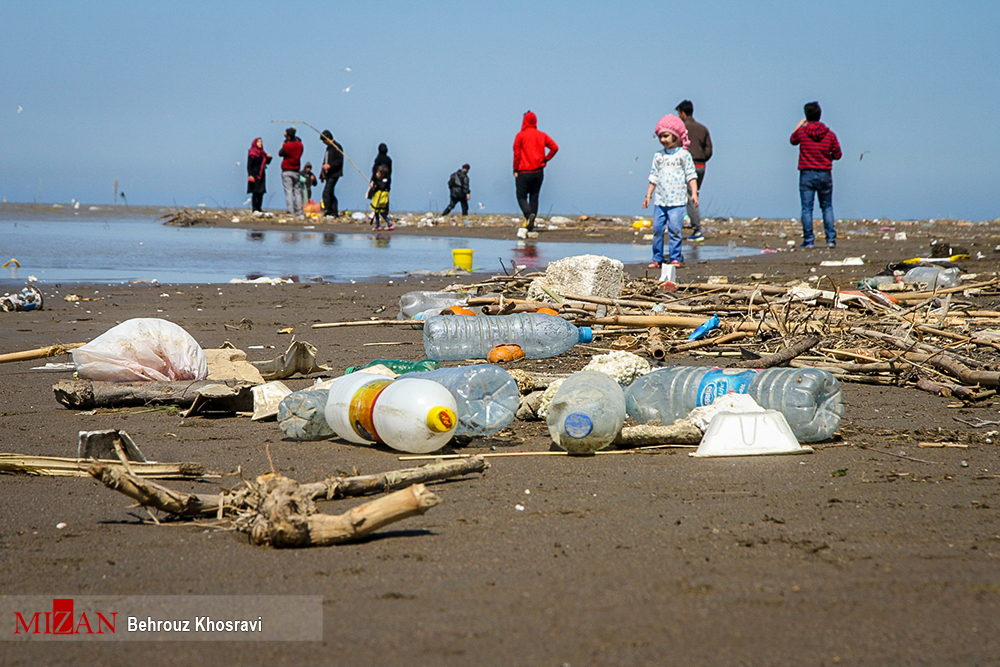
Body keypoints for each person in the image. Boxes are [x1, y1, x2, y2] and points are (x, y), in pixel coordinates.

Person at [642, 114, 698, 269]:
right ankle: (657, 258)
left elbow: (691, 175)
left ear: (676, 136)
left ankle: (675, 257)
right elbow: (653, 176)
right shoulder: (658, 156)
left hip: (677, 201)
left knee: (675, 230)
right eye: (660, 136)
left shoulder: (683, 155)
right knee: (657, 230)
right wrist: (648, 195)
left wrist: (694, 193)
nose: (663, 140)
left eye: (666, 136)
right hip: (660, 201)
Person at [790, 101, 842, 248]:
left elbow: (792, 140)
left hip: (807, 173)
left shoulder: (802, 132)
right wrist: (826, 157)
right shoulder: (830, 134)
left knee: (807, 208)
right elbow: (838, 154)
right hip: (824, 173)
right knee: (827, 207)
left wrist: (799, 125)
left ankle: (809, 240)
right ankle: (830, 240)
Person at [513, 111, 558, 233]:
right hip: (538, 171)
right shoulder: (542, 135)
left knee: (521, 196)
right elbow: (554, 147)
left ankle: (529, 215)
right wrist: (545, 159)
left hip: (523, 171)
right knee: (534, 196)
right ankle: (531, 222)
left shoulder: (520, 136)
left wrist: (515, 169)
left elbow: (517, 154)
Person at [675, 100, 712, 242]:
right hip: (701, 166)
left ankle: (697, 231)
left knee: (689, 198)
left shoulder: (681, 128)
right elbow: (709, 149)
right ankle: (691, 227)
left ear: (683, 113)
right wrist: (702, 158)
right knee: (694, 195)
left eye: (679, 114)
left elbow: (676, 147)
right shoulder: (703, 129)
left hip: (688, 166)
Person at [279, 127, 304, 215]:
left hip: (287, 169)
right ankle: (299, 211)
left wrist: (284, 145)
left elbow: (280, 153)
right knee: (297, 191)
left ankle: (290, 210)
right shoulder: (300, 145)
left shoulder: (287, 146)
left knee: (288, 191)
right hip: (296, 170)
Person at [320, 130, 344, 218]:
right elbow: (325, 161)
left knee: (326, 192)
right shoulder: (328, 148)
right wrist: (322, 174)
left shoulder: (337, 147)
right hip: (328, 174)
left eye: (324, 140)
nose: (324, 142)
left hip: (335, 173)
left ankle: (328, 210)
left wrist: (330, 166)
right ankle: (334, 212)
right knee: (330, 193)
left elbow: (339, 161)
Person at [246, 137, 272, 214]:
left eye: (261, 142)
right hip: (254, 174)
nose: (260, 143)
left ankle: (259, 208)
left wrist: (269, 158)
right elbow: (249, 165)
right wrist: (250, 174)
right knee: (255, 191)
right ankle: (254, 208)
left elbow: (267, 162)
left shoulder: (262, 153)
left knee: (261, 191)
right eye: (259, 142)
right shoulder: (252, 153)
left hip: (261, 174)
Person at [367, 163, 394, 231]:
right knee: (377, 212)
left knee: (380, 212)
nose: (376, 174)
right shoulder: (386, 181)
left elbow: (378, 187)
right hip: (382, 198)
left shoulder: (382, 182)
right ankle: (378, 225)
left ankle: (389, 224)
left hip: (379, 198)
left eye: (378, 173)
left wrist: (373, 186)